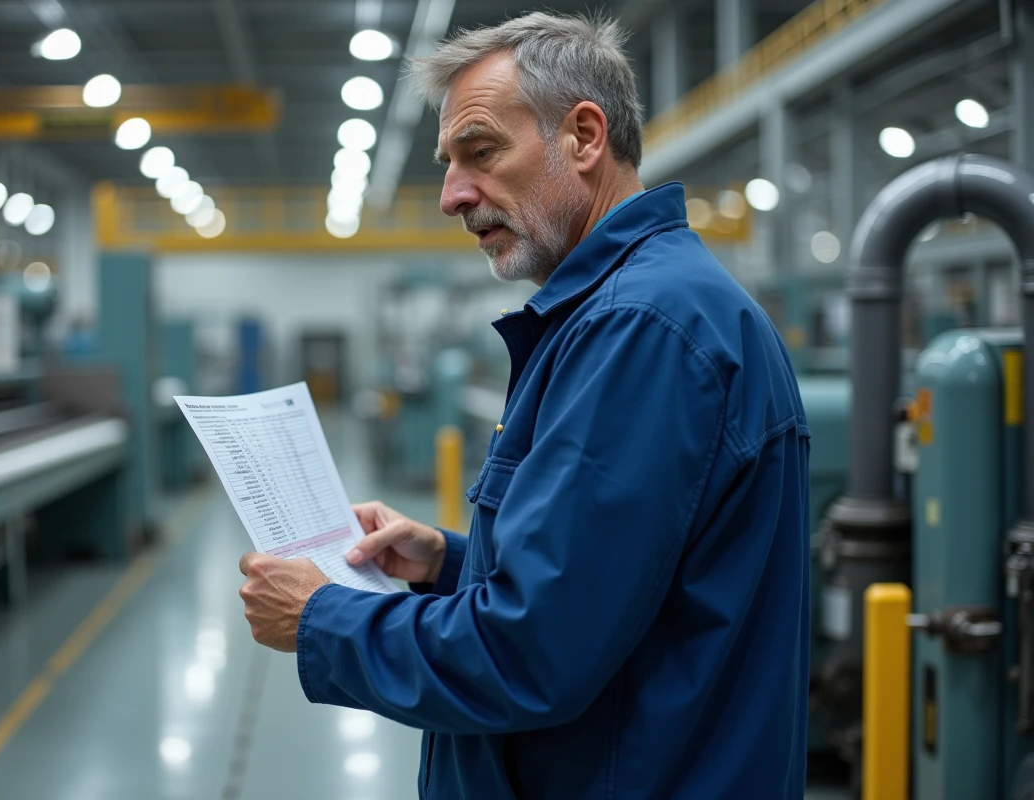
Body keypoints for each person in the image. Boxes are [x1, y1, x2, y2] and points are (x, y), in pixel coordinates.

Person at [238, 12, 810, 798]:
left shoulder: (640, 330)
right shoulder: (631, 311)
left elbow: (530, 654)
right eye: (448, 163)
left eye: (479, 152)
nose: (450, 195)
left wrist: (320, 620)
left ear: (583, 137)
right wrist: (449, 560)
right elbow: (626, 587)